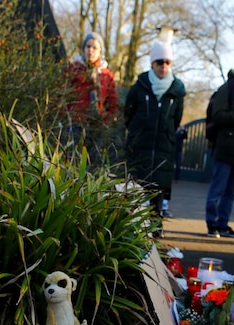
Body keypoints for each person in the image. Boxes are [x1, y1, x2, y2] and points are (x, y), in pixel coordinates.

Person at [123, 36, 186, 237]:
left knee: (157, 193)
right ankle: (131, 231)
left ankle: (155, 231)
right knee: (136, 191)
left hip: (162, 151)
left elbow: (176, 120)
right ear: (153, 63)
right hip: (140, 147)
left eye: (168, 62)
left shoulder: (177, 92)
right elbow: (128, 114)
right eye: (160, 62)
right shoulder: (140, 86)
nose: (164, 66)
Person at [64, 32, 119, 163]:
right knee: (72, 161)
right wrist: (65, 118)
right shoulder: (74, 69)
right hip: (75, 124)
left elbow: (113, 103)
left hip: (97, 126)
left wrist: (106, 120)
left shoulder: (106, 75)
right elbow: (62, 95)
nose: (91, 50)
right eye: (88, 46)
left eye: (95, 48)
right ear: (83, 48)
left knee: (93, 163)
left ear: (100, 51)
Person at [204, 69, 234, 238]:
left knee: (230, 191)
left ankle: (222, 224)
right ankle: (212, 223)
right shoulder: (227, 89)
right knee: (218, 189)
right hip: (225, 147)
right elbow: (218, 116)